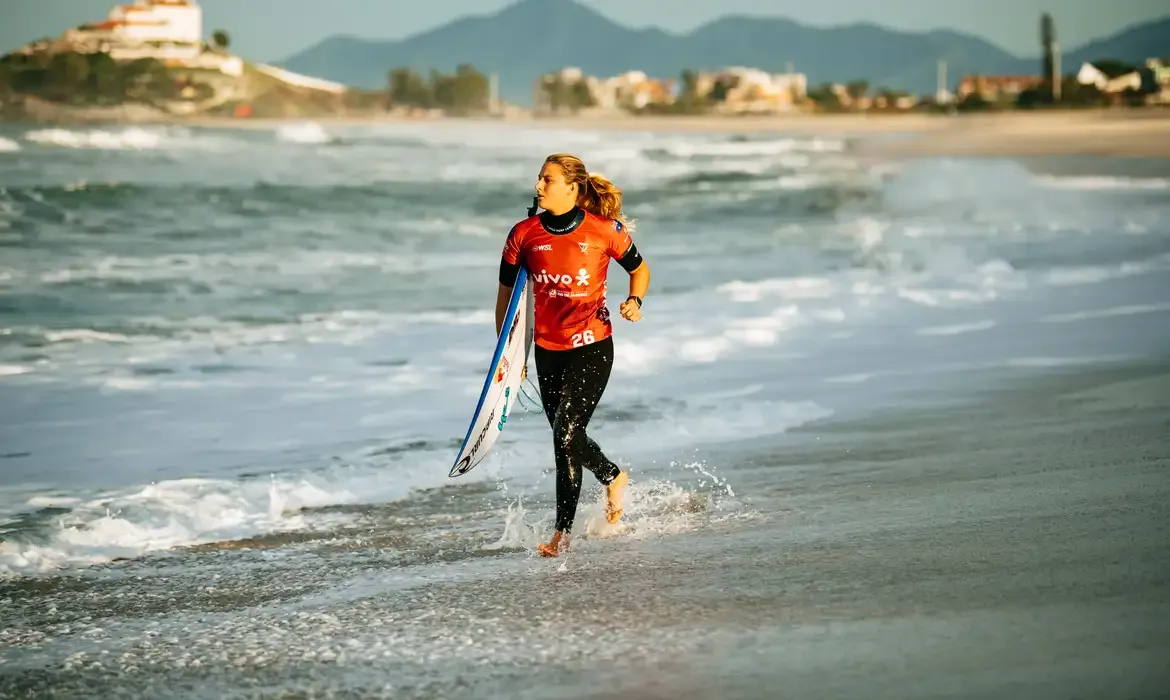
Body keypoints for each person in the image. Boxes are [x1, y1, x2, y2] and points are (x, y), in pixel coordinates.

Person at [496, 153, 651, 558]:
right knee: (563, 441)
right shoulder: (523, 235)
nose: (539, 186)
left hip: (593, 346)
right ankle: (588, 504)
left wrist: (635, 299)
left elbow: (640, 268)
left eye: (547, 180)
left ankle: (588, 504)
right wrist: (508, 355)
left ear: (572, 188)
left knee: (566, 432)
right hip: (548, 350)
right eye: (539, 179)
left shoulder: (603, 231)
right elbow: (506, 301)